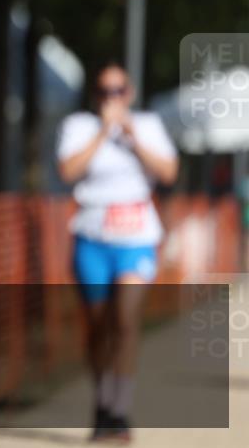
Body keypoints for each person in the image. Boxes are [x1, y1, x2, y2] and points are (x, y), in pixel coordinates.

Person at [56, 61, 178, 443]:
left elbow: (169, 173)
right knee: (98, 327)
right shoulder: (79, 126)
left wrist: (132, 137)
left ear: (131, 92)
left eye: (119, 90)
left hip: (137, 238)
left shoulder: (149, 126)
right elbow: (67, 172)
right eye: (106, 92)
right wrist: (103, 134)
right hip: (92, 237)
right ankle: (102, 401)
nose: (113, 98)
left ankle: (119, 411)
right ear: (97, 96)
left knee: (125, 320)